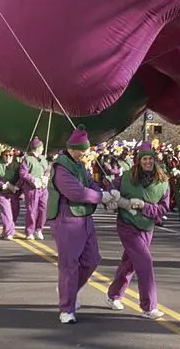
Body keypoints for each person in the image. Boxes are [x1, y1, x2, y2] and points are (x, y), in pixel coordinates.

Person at [47, 128, 107, 325]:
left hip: (85, 218)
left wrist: (101, 193)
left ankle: (68, 289)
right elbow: (76, 193)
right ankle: (66, 309)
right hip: (67, 219)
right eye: (83, 150)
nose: (86, 154)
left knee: (92, 260)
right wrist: (99, 197)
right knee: (69, 265)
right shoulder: (61, 168)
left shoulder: (80, 166)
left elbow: (91, 184)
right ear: (73, 149)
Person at [105, 141, 169, 319]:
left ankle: (113, 295)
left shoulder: (163, 182)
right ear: (138, 161)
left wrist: (144, 206)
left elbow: (163, 208)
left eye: (150, 158)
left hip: (147, 227)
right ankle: (149, 307)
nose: (147, 162)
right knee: (145, 263)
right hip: (127, 225)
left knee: (130, 262)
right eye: (144, 159)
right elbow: (111, 189)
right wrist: (113, 195)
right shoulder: (126, 176)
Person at [20, 137, 49, 241]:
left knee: (43, 209)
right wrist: (33, 180)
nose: (42, 149)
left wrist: (46, 177)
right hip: (32, 189)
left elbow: (47, 170)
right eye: (41, 147)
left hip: (43, 188)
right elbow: (23, 173)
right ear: (37, 148)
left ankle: (39, 229)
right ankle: (29, 231)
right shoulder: (27, 159)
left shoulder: (43, 159)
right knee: (32, 210)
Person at [0, 148, 21, 240]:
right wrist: (5, 185)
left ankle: (6, 229)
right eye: (6, 155)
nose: (8, 157)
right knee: (7, 213)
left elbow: (22, 177)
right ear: (2, 156)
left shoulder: (18, 166)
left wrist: (16, 186)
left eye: (10, 155)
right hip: (1, 193)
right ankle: (8, 233)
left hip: (14, 192)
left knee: (14, 212)